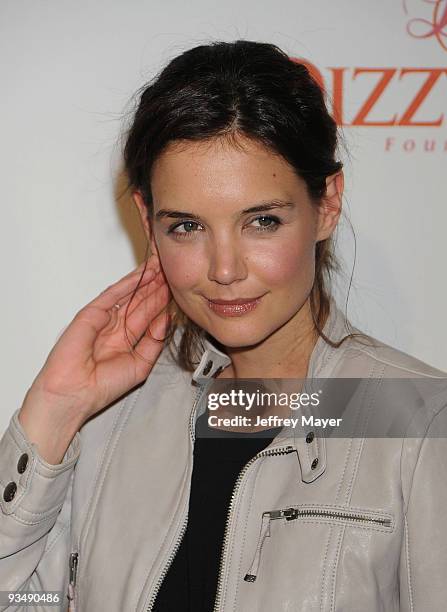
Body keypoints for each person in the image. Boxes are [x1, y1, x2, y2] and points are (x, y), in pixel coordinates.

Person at [1, 39, 446, 612]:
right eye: (186, 226)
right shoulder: (113, 417)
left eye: (262, 221)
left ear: (327, 204)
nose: (225, 269)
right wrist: (53, 410)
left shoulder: (416, 424)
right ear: (147, 219)